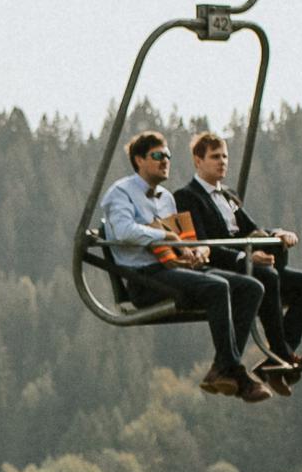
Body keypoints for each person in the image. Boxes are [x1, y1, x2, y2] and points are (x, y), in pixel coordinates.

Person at [94, 131, 273, 400]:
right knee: (217, 287)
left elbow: (181, 237)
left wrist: (195, 250)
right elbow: (123, 231)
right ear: (139, 160)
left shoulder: (166, 198)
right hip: (145, 278)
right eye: (157, 155)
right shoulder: (121, 193)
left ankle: (224, 366)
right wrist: (163, 236)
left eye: (167, 155)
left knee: (251, 287)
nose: (165, 160)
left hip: (174, 268)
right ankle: (232, 370)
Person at [178, 130, 302, 381]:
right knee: (267, 278)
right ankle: (280, 353)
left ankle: (281, 352)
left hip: (251, 263)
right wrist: (245, 259)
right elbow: (202, 244)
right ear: (198, 161)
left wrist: (277, 233)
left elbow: (251, 229)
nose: (222, 162)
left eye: (225, 156)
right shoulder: (187, 197)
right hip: (226, 267)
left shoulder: (228, 196)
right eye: (215, 157)